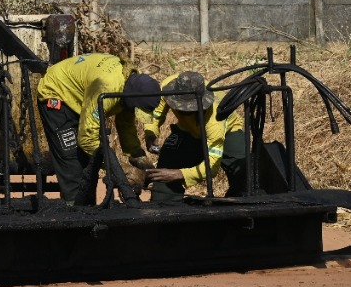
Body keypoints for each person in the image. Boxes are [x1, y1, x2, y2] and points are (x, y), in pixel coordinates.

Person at [36, 53, 160, 205]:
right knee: (73, 158)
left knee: (90, 160)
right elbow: (86, 139)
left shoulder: (135, 85)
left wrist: (139, 158)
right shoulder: (107, 88)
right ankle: (75, 212)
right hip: (57, 91)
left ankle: (89, 206)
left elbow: (126, 125)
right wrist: (121, 169)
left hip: (82, 95)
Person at [144, 70, 246, 204]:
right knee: (164, 174)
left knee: (243, 175)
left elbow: (212, 166)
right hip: (187, 130)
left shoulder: (215, 119)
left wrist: (179, 174)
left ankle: (233, 206)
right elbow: (156, 114)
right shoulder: (168, 89)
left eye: (188, 109)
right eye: (179, 107)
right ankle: (166, 209)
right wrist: (151, 132)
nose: (181, 111)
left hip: (228, 132)